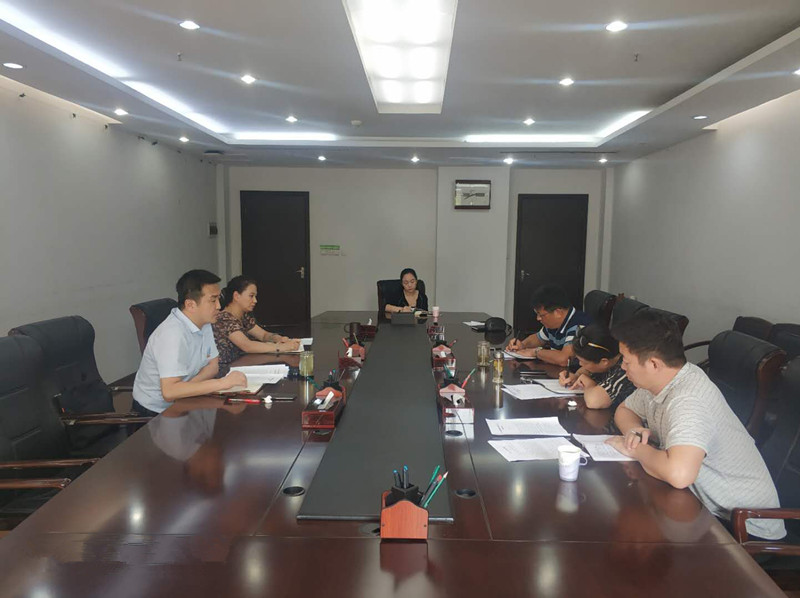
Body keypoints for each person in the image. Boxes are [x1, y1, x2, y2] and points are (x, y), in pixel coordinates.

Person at [606, 310, 785, 541]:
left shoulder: (688, 398)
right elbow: (624, 410)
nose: (622, 367)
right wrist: (633, 431)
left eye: (626, 361)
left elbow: (679, 474)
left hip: (745, 528)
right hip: (702, 507)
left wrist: (635, 449)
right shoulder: (661, 382)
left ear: (653, 364)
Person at [131, 269, 247, 416]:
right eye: (213, 300)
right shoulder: (172, 334)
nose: (219, 305)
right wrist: (222, 383)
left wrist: (186, 389)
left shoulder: (205, 322)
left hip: (185, 400)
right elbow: (169, 392)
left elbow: (213, 366)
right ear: (190, 305)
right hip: (157, 412)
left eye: (219, 298)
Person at [213, 275, 301, 372]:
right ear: (236, 296)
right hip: (225, 370)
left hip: (241, 365)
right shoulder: (224, 319)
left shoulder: (243, 316)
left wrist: (279, 339)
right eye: (251, 296)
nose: (255, 301)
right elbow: (247, 346)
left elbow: (263, 335)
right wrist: (280, 347)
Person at [505, 283, 592, 366]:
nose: (538, 318)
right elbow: (538, 338)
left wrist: (535, 352)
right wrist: (522, 345)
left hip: (576, 374)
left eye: (541, 315)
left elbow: (564, 359)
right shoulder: (554, 324)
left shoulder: (579, 326)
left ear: (558, 312)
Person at [558, 324, 636, 410]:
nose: (580, 364)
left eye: (584, 362)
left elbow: (594, 402)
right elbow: (585, 370)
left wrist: (588, 383)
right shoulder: (608, 361)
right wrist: (576, 377)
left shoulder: (625, 369)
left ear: (604, 362)